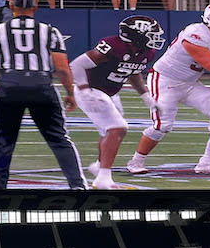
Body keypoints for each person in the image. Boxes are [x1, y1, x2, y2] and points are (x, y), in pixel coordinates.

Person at [0, 0, 86, 190]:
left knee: (3, 142)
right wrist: (70, 92)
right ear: (34, 9)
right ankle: (77, 184)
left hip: (10, 85)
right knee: (59, 139)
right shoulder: (50, 31)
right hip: (41, 85)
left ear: (12, 9)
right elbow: (62, 67)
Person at [128, 1, 210, 175]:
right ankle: (136, 161)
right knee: (162, 125)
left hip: (190, 83)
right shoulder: (195, 33)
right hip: (165, 81)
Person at [70, 16, 163, 189]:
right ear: (137, 35)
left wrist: (146, 97)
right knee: (117, 128)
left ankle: (99, 166)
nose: (154, 39)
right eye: (151, 34)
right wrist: (84, 90)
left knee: (110, 131)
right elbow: (76, 65)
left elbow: (133, 71)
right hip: (91, 89)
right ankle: (103, 179)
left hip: (110, 93)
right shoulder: (113, 47)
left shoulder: (146, 52)